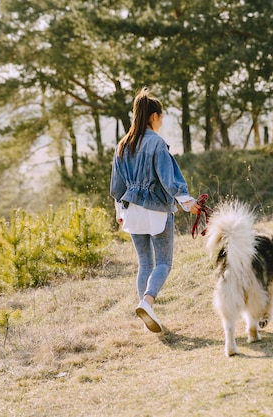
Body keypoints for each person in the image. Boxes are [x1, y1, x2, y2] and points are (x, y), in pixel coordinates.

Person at [110, 87, 200, 333]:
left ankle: (145, 311)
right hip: (156, 210)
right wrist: (187, 201)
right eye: (161, 116)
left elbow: (116, 186)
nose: (161, 121)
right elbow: (168, 179)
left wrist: (119, 210)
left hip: (130, 211)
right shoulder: (157, 143)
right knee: (164, 262)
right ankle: (147, 303)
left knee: (145, 264)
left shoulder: (122, 145)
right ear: (153, 116)